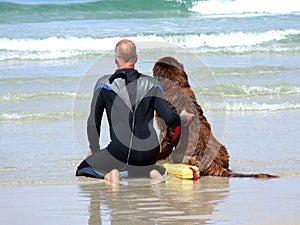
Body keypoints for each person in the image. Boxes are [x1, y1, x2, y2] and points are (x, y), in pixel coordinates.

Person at [76, 39, 194, 184]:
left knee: (83, 168)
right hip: (149, 153)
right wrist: (182, 118)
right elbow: (169, 118)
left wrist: (94, 149)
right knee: (139, 165)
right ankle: (150, 171)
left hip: (120, 153)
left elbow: (93, 123)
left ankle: (110, 175)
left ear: (115, 58)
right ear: (136, 58)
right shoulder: (152, 83)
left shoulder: (104, 84)